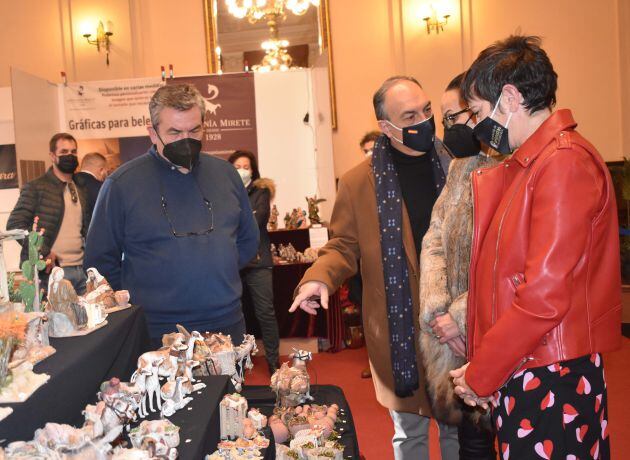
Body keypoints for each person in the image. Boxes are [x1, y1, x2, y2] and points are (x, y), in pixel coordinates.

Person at [450, 36, 621, 459]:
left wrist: (481, 373)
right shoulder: (536, 162)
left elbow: (543, 296)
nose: (475, 125)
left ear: (509, 97)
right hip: (530, 361)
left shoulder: (563, 162)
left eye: (478, 111)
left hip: (552, 372)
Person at [290, 76, 458, 460]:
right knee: (410, 432)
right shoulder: (357, 182)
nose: (425, 121)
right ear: (386, 126)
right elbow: (342, 246)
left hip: (456, 323)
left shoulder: (458, 165)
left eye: (427, 110)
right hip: (400, 329)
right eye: (410, 115)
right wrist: (318, 278)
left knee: (458, 428)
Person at [84, 84, 259, 347]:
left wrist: (214, 271)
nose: (186, 139)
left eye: (194, 130)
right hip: (156, 331)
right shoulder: (122, 184)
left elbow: (247, 241)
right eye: (175, 132)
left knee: (230, 390)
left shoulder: (226, 174)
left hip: (226, 323)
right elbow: (100, 261)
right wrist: (142, 297)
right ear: (152, 133)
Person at [419, 73, 497, 459]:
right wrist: (438, 313)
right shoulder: (459, 168)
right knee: (473, 442)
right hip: (455, 337)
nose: (447, 129)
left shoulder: (510, 166)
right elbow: (434, 238)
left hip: (495, 328)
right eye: (444, 120)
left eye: (454, 117)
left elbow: (504, 259)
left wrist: (461, 315)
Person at [7, 133, 90, 294]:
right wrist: (43, 250)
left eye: (73, 152)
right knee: (54, 319)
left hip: (81, 271)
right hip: (50, 273)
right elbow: (15, 225)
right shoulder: (36, 187)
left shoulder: (80, 188)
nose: (70, 156)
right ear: (52, 156)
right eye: (64, 152)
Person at [228, 150, 280, 374]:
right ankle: (234, 363)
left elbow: (255, 221)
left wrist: (235, 218)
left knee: (265, 313)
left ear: (253, 169)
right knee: (233, 314)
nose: (242, 170)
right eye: (237, 166)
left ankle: (273, 362)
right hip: (232, 262)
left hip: (258, 261)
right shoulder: (223, 191)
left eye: (246, 166)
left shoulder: (261, 191)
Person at [350, 129, 382, 379]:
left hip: (390, 260)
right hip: (364, 261)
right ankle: (374, 363)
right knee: (367, 314)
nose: (370, 155)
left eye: (374, 148)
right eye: (366, 151)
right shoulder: (356, 182)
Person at [74, 151, 108, 221]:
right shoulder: (102, 189)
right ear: (101, 170)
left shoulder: (69, 182)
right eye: (106, 171)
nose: (106, 175)